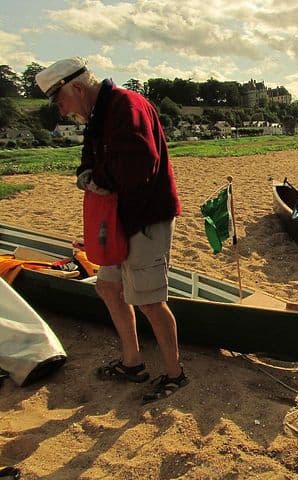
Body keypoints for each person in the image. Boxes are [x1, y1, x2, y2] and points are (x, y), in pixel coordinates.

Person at [36, 57, 187, 404]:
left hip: (146, 217)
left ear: (76, 87)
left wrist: (99, 179)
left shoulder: (125, 104)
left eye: (60, 101)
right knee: (107, 287)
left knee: (150, 301)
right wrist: (86, 173)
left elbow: (141, 164)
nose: (61, 111)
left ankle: (175, 373)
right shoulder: (97, 114)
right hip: (118, 217)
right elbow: (92, 157)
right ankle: (133, 364)